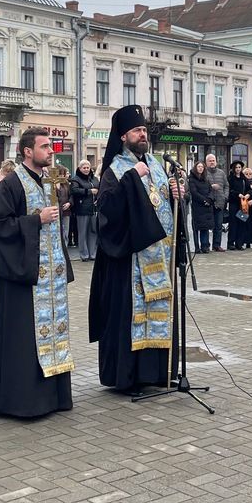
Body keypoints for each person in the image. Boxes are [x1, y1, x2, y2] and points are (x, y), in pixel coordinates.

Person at [0, 128, 75, 417]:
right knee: (22, 339)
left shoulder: (49, 181)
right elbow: (0, 227)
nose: (50, 152)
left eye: (50, 147)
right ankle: (23, 401)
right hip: (23, 275)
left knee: (53, 333)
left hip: (50, 275)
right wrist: (35, 219)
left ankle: (53, 397)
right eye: (45, 147)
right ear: (27, 151)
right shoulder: (11, 183)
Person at [89, 105, 180, 393]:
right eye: (136, 131)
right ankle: (127, 376)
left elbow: (164, 203)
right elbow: (106, 212)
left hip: (160, 258)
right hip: (128, 261)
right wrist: (131, 178)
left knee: (160, 311)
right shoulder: (115, 170)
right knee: (130, 315)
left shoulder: (155, 164)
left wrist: (177, 194)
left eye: (144, 130)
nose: (142, 135)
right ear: (123, 136)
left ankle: (156, 373)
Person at [70, 159, 99, 262]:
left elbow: (100, 189)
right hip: (82, 209)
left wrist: (98, 198)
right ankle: (84, 254)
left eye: (88, 167)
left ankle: (93, 254)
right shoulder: (76, 179)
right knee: (82, 233)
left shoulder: (94, 179)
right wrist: (89, 191)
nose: (86, 169)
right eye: (84, 168)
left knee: (93, 232)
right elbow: (74, 190)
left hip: (93, 209)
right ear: (80, 168)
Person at [204, 154, 229, 252]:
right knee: (207, 226)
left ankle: (216, 245)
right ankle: (206, 246)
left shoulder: (221, 173)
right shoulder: (204, 173)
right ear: (206, 162)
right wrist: (211, 187)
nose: (212, 162)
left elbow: (226, 186)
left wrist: (225, 197)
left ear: (216, 162)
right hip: (209, 203)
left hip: (219, 202)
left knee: (218, 226)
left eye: (213, 160)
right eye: (210, 161)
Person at [188, 161, 214, 254]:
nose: (200, 168)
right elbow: (194, 192)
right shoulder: (191, 179)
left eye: (202, 167)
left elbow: (211, 190)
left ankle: (205, 246)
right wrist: (204, 200)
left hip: (207, 207)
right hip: (198, 206)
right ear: (196, 168)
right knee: (196, 228)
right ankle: (197, 247)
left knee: (205, 227)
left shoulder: (206, 179)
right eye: (199, 167)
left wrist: (210, 199)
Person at [226, 161, 249, 250]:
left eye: (239, 167)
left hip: (243, 204)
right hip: (234, 203)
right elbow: (229, 190)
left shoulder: (244, 178)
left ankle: (239, 243)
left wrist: (248, 194)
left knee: (242, 222)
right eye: (236, 167)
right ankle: (231, 243)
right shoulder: (230, 178)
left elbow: (249, 189)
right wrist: (237, 194)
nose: (238, 169)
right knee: (233, 223)